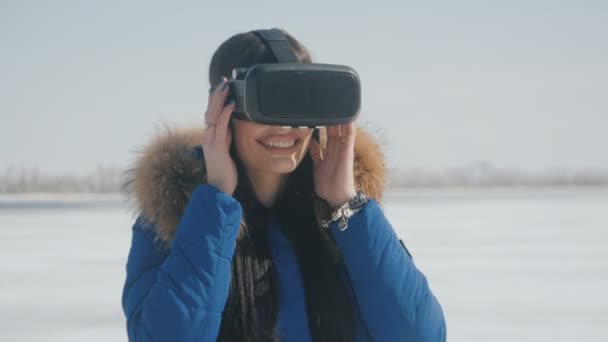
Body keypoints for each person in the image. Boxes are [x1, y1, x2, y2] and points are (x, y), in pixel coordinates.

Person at [121, 28, 446, 341]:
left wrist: (348, 206)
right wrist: (215, 203)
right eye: (269, 100)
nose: (287, 125)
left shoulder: (345, 222)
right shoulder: (178, 217)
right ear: (221, 106)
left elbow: (421, 336)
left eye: (301, 102)